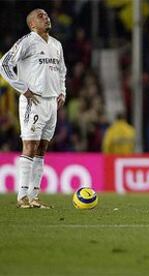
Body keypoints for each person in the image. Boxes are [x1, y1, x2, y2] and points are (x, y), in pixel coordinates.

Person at [0, 9, 67, 208]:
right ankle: (21, 197)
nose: (46, 17)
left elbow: (62, 70)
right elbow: (4, 64)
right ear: (32, 24)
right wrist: (24, 89)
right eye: (40, 16)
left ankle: (34, 197)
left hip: (51, 102)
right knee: (29, 146)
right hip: (33, 101)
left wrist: (62, 91)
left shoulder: (56, 44)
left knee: (42, 149)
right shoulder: (27, 42)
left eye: (46, 15)